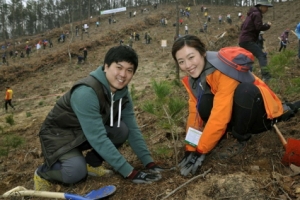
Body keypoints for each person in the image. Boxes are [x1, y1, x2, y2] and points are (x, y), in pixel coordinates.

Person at [33, 45, 165, 191]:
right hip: (59, 136)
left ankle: (91, 163)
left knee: (121, 130)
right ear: (106, 66)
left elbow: (133, 129)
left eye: (129, 70)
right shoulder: (86, 92)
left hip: (83, 133)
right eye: (119, 67)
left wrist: (149, 163)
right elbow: (97, 137)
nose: (123, 74)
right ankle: (43, 172)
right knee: (76, 172)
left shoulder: (122, 94)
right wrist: (130, 173)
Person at [171, 35, 299, 176]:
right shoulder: (195, 81)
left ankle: (240, 137)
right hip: (238, 115)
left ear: (203, 53)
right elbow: (194, 115)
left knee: (244, 91)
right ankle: (230, 132)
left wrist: (202, 149)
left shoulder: (223, 70)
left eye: (191, 57)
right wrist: (190, 148)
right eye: (181, 61)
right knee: (203, 104)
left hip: (259, 115)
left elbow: (220, 115)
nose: (188, 65)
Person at [239, 0, 273, 82]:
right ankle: (266, 77)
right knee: (261, 55)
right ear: (261, 6)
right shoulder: (257, 14)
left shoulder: (251, 14)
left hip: (243, 40)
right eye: (266, 7)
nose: (267, 9)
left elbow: (242, 26)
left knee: (246, 58)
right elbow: (258, 27)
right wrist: (267, 25)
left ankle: (243, 76)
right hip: (248, 40)